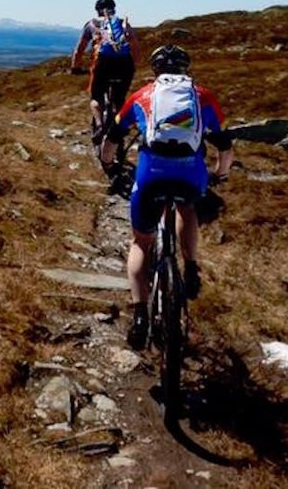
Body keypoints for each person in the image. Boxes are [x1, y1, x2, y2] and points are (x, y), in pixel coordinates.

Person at [99, 44, 234, 350]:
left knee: (141, 242)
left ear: (155, 70)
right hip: (190, 173)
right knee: (187, 207)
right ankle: (191, 266)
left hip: (151, 173)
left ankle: (140, 315)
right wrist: (221, 174)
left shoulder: (142, 95)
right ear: (186, 69)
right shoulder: (203, 96)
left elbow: (113, 136)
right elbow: (225, 146)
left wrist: (108, 163)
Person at [71, 0, 139, 145]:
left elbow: (79, 50)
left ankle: (100, 125)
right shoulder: (122, 23)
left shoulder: (92, 24)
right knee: (120, 98)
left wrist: (75, 67)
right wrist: (134, 65)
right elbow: (134, 43)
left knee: (96, 97)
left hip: (103, 63)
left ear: (98, 10)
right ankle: (121, 125)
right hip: (124, 64)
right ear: (114, 8)